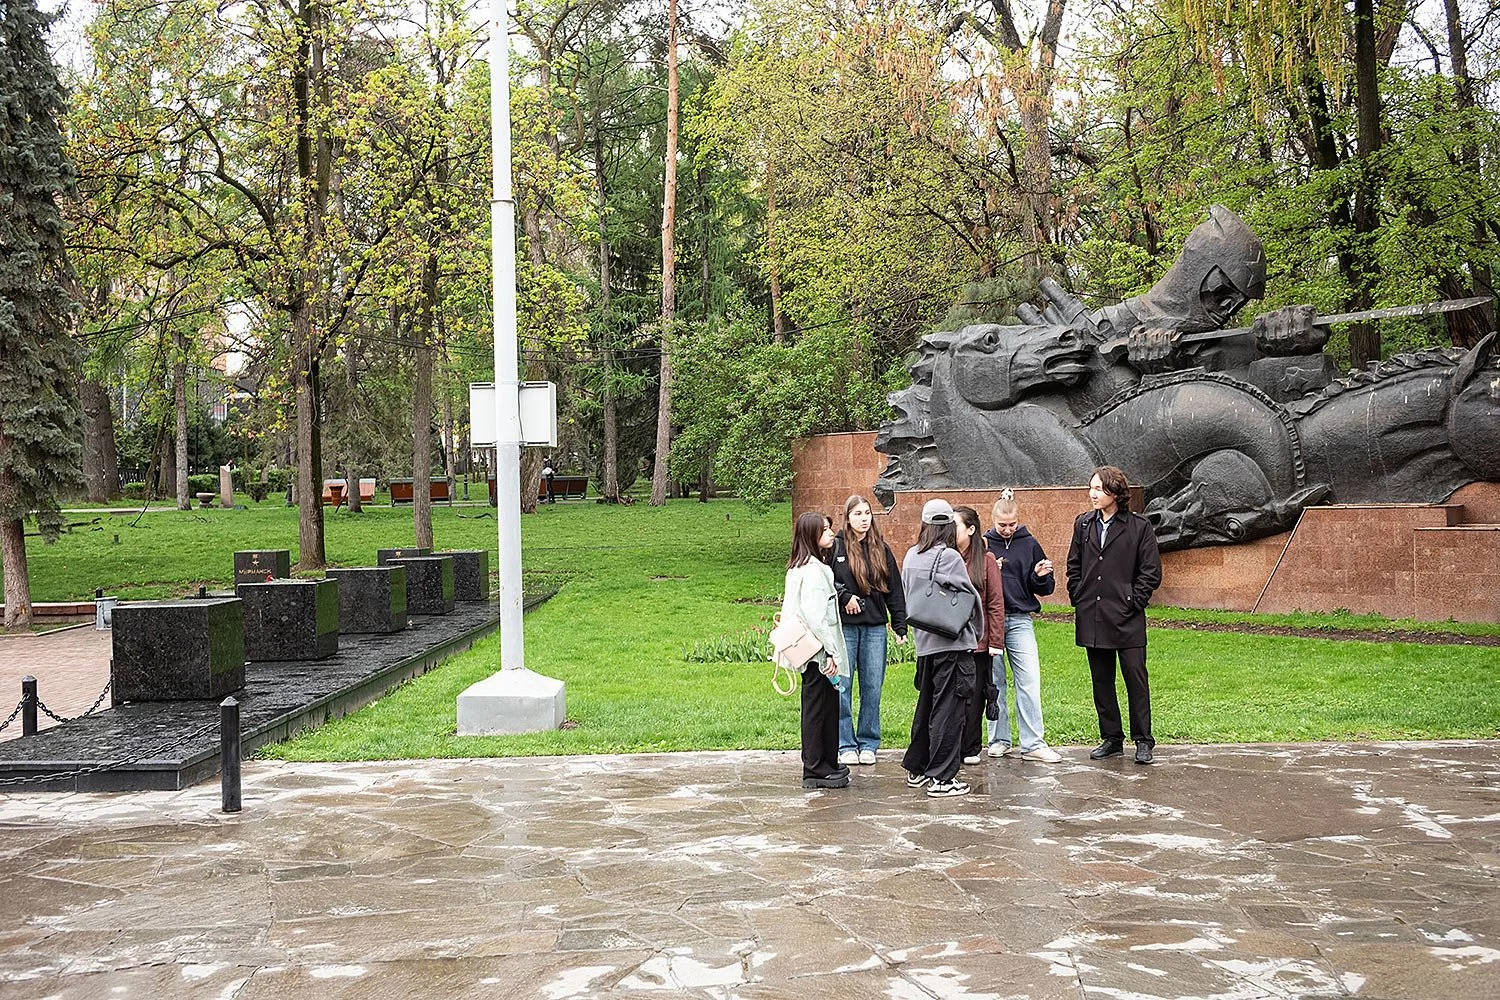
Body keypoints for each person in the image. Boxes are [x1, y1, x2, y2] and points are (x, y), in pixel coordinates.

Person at [1066, 466, 1163, 764]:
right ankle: (1111, 738)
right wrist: (1078, 595)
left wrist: (1132, 601)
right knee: (1101, 681)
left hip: (1127, 617)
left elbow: (1151, 572)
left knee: (1136, 678)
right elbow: (1074, 565)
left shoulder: (1139, 526)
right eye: (1091, 488)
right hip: (1093, 615)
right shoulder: (1083, 524)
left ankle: (1143, 740)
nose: (1093, 494)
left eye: (1099, 489)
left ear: (1114, 492)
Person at [901, 499, 985, 797]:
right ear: (948, 525)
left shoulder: (911, 555)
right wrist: (977, 632)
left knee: (927, 707)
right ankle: (942, 778)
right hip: (951, 644)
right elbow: (969, 598)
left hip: (925, 645)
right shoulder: (949, 556)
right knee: (950, 711)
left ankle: (918, 767)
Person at [982, 491, 1062, 763]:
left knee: (1028, 680)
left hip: (1019, 619)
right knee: (994, 682)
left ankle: (1033, 743)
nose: (1007, 530)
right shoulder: (984, 544)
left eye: (1012, 525)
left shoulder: (1029, 543)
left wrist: (1040, 576)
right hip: (990, 621)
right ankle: (998, 739)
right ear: (992, 520)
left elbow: (1044, 588)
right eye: (1002, 525)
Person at [832, 495, 908, 767]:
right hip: (847, 628)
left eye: (867, 513)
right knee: (843, 686)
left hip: (875, 627)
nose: (863, 519)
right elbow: (828, 583)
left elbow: (895, 589)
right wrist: (845, 597)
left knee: (872, 687)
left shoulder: (881, 549)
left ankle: (868, 742)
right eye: (857, 514)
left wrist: (900, 624)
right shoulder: (837, 547)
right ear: (847, 517)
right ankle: (845, 744)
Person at [782, 511, 853, 789]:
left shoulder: (803, 567)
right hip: (817, 651)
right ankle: (815, 767)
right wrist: (831, 652)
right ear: (812, 536)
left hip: (811, 650)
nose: (831, 534)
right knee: (818, 707)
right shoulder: (813, 571)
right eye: (824, 530)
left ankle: (825, 761)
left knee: (824, 705)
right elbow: (816, 617)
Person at [953, 506, 1005, 767]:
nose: (951, 532)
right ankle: (950, 744)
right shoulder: (945, 558)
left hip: (978, 642)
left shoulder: (985, 561)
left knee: (974, 696)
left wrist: (995, 642)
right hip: (950, 640)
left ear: (971, 530)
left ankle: (971, 746)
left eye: (956, 526)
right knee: (952, 695)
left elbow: (995, 603)